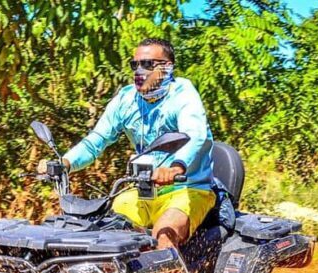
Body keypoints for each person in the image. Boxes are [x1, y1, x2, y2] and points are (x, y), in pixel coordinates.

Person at [38, 38, 216, 248]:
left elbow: (194, 134)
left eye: (148, 64)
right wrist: (65, 163)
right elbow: (97, 139)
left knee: (164, 234)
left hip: (187, 189)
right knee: (103, 232)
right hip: (142, 192)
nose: (139, 71)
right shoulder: (126, 99)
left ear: (167, 67)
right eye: (135, 65)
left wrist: (175, 167)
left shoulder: (183, 94)